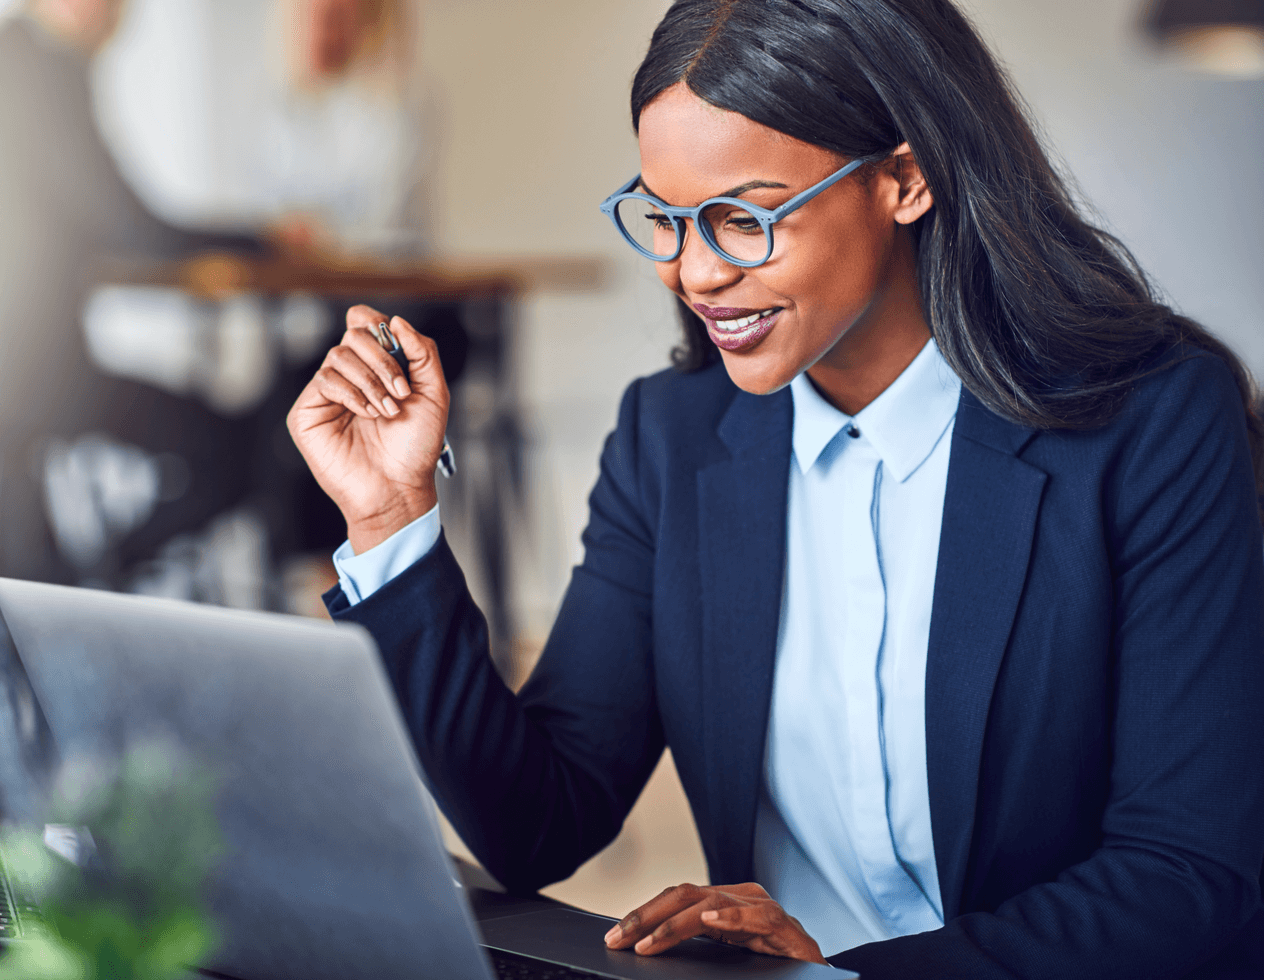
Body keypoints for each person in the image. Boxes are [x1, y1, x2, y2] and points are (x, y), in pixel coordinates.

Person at [286, 0, 1264, 976]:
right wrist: (390, 514)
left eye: (742, 218)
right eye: (664, 219)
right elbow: (540, 822)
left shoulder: (1153, 420)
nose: (694, 272)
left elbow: (1186, 871)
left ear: (905, 177)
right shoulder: (672, 437)